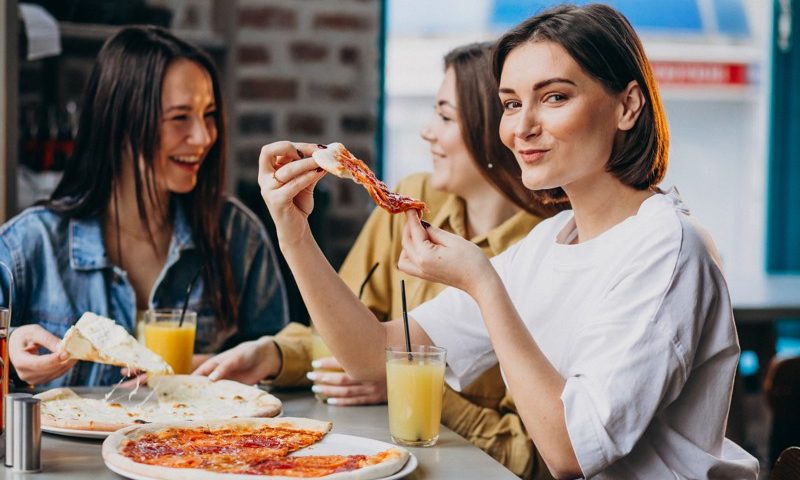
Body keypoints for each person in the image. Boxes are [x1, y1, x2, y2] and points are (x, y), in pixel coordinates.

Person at [256, 4, 760, 479]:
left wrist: (482, 281)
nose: (522, 127)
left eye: (555, 97)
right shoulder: (550, 242)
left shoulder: (668, 247)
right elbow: (374, 357)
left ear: (627, 105)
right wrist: (295, 236)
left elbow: (568, 451)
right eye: (512, 104)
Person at [195, 42, 558, 478]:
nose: (427, 132)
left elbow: (535, 455)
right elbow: (355, 340)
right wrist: (276, 354)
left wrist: (404, 385)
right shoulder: (411, 204)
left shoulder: (543, 254)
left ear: (491, 128)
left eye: (445, 117)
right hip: (370, 449)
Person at [0, 26, 288, 388]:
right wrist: (6, 355)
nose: (203, 137)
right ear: (119, 123)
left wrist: (231, 367)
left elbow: (283, 370)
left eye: (209, 113)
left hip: (191, 444)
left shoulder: (237, 235)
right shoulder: (25, 246)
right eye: (180, 117)